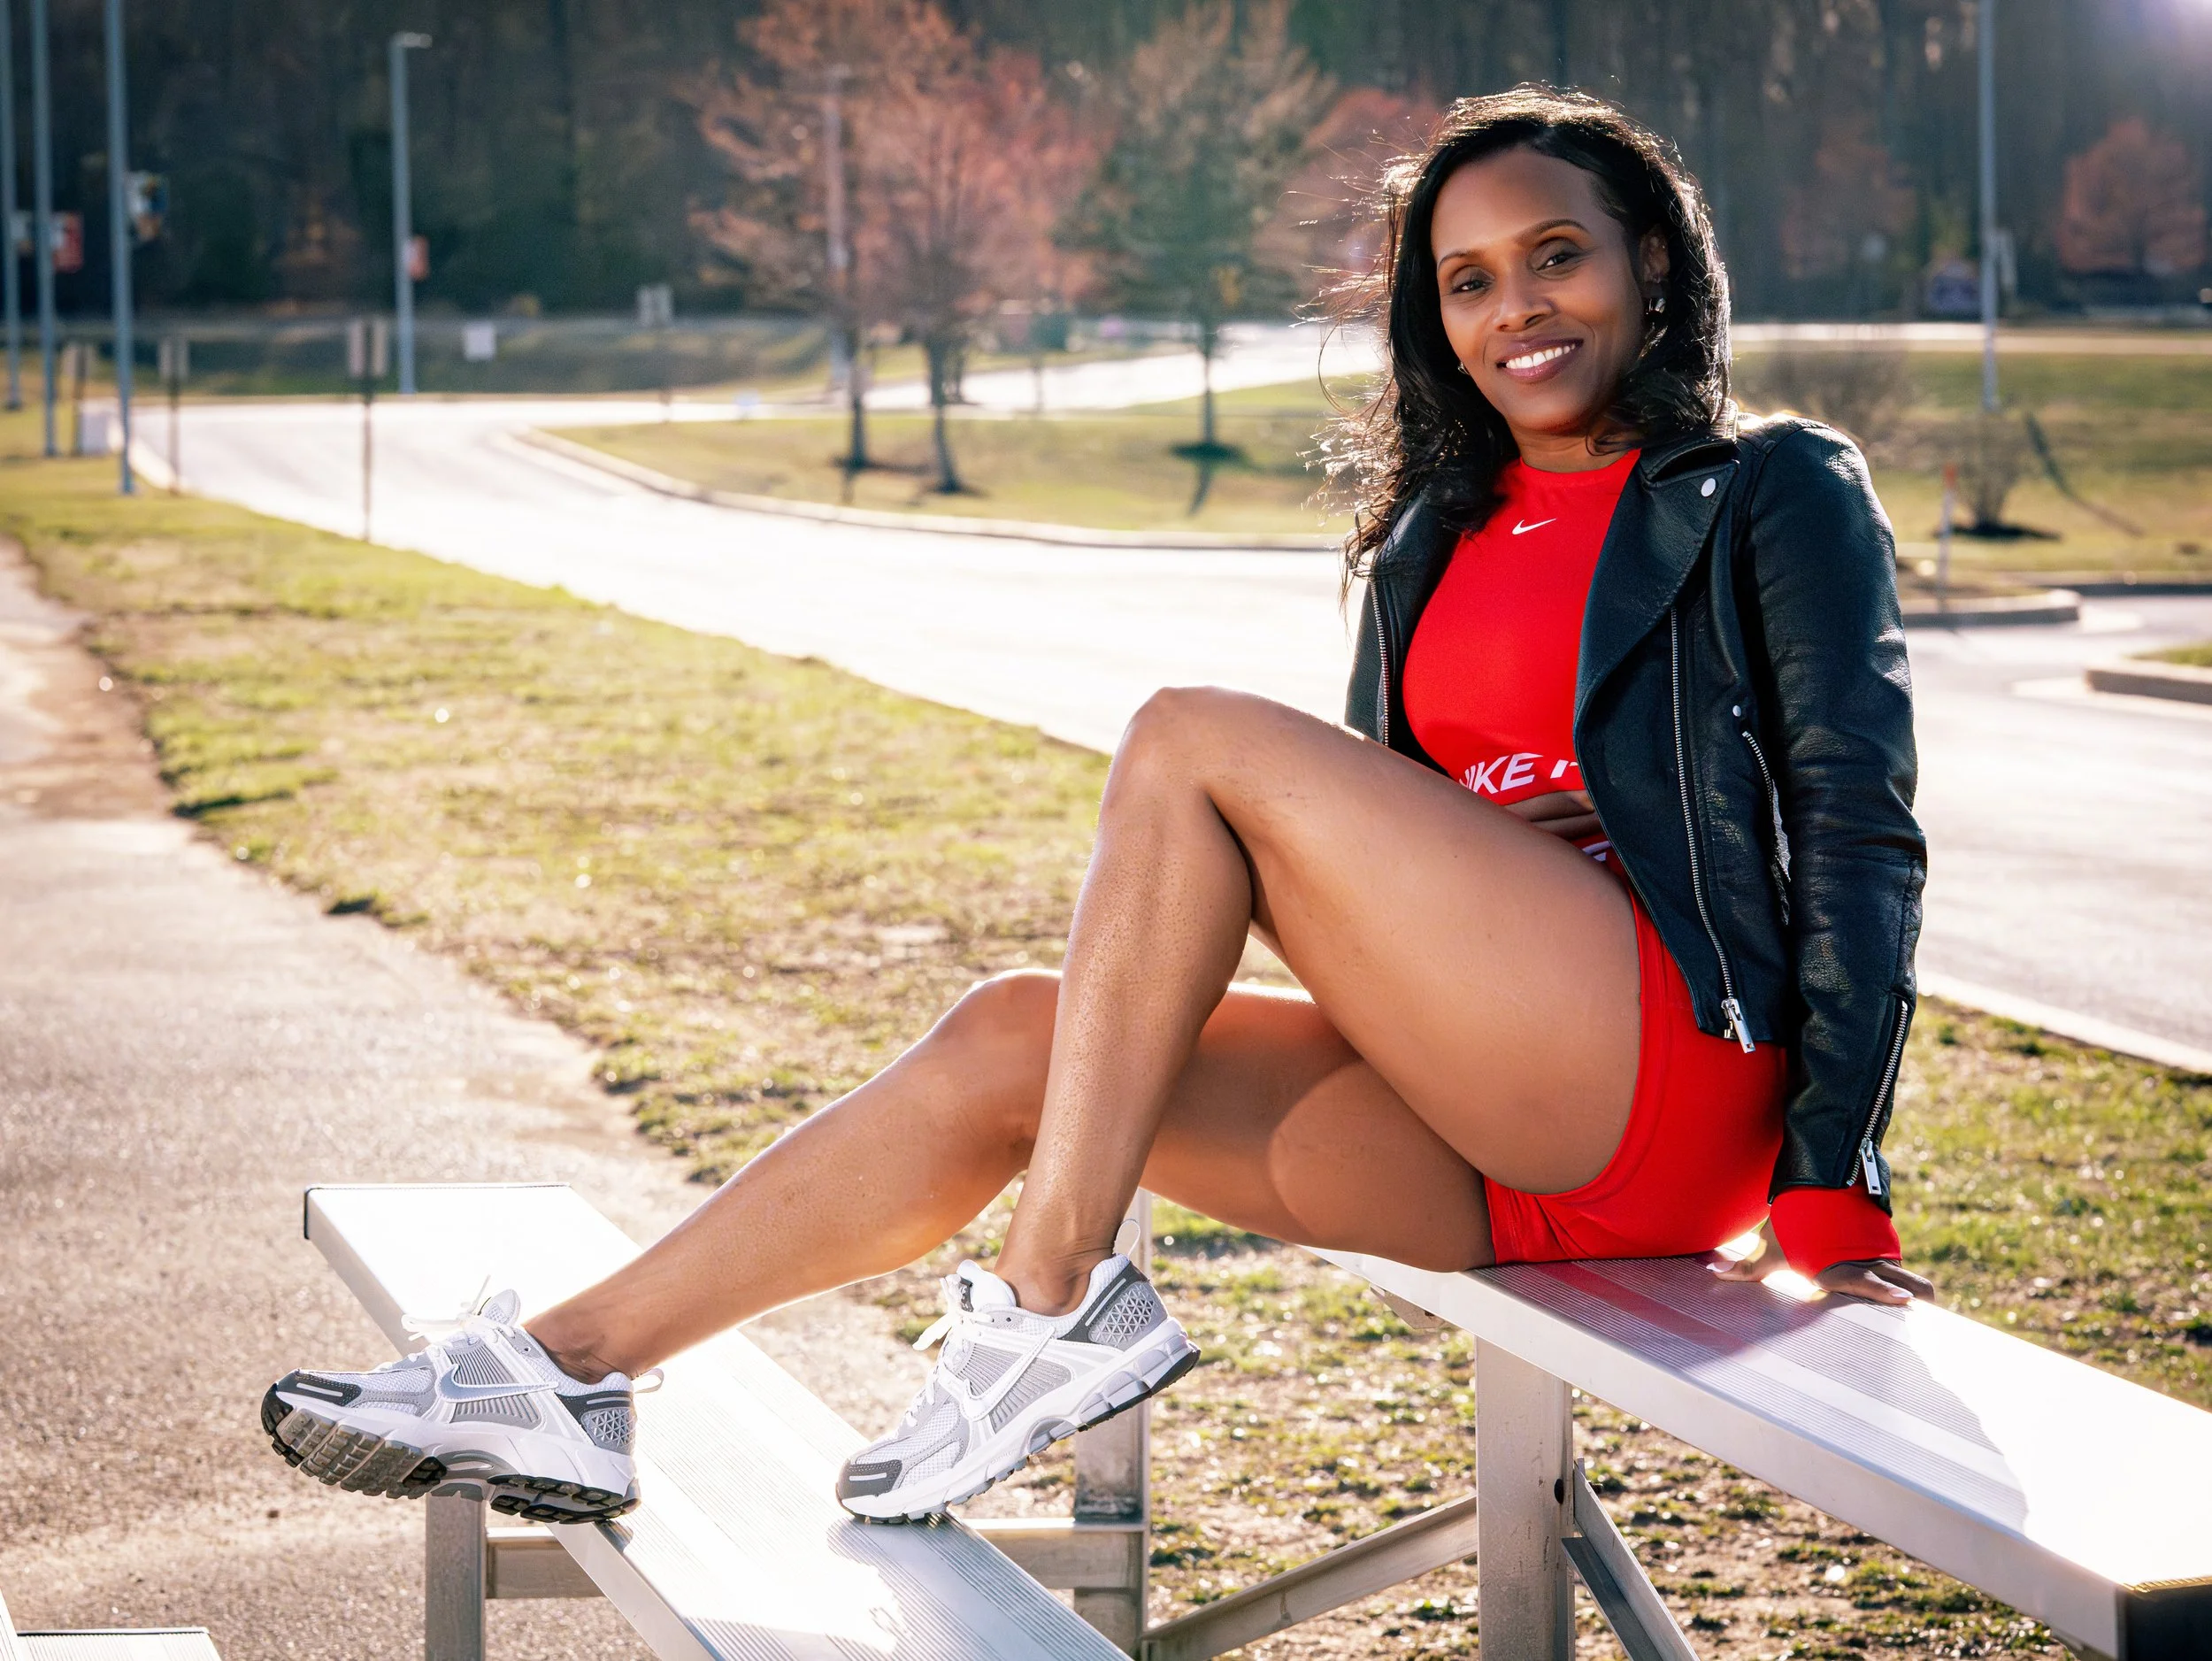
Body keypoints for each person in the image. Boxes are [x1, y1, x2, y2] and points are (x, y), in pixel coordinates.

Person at [259, 87, 1932, 1529]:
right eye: (1470, 280)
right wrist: (1481, 863)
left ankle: (1049, 1298)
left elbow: (1858, 828)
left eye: (1558, 254)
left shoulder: (1767, 488)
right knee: (1009, 1037)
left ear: (1653, 256)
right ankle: (567, 1375)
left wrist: (1830, 1174)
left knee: (1187, 737)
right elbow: (1392, 852)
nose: (1518, 310)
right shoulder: (1434, 532)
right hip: (1477, 1134)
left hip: (1667, 1076)